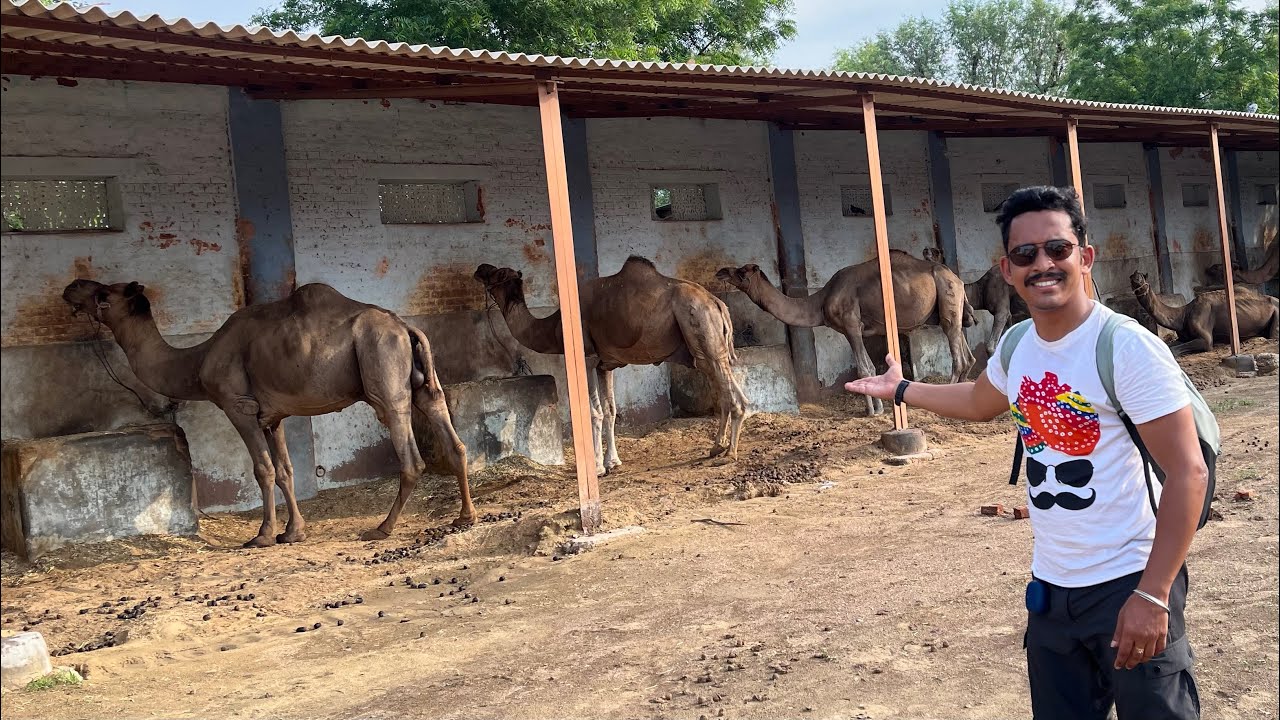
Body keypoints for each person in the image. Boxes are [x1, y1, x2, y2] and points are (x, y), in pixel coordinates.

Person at [847, 186, 1208, 719]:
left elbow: (1188, 472)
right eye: (1025, 254)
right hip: (1053, 590)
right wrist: (901, 389)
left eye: (1058, 249)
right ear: (1008, 269)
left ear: (1085, 257)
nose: (1043, 264)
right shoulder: (1018, 344)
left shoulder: (1125, 347)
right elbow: (978, 401)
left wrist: (1154, 595)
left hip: (1129, 579)